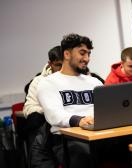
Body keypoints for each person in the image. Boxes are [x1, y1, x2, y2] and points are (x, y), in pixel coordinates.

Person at [31, 34, 103, 168]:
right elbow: (55, 115)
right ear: (67, 54)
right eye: (82, 53)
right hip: (67, 140)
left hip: (98, 133)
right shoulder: (48, 83)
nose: (86, 59)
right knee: (86, 154)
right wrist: (79, 120)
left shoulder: (94, 82)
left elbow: (108, 108)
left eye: (88, 54)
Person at [23, 45, 63, 148]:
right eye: (58, 65)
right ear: (50, 64)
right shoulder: (38, 81)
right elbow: (29, 109)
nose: (61, 69)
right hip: (47, 128)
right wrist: (49, 110)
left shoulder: (74, 78)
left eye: (64, 65)